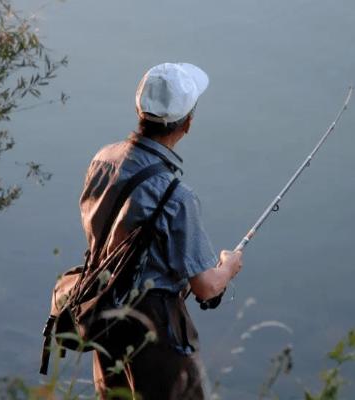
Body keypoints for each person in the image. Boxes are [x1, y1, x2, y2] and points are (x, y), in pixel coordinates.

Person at [79, 62, 243, 399]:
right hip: (154, 329)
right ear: (187, 124)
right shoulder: (177, 196)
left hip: (103, 311)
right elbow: (206, 287)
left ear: (139, 110)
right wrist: (230, 265)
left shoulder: (102, 161)